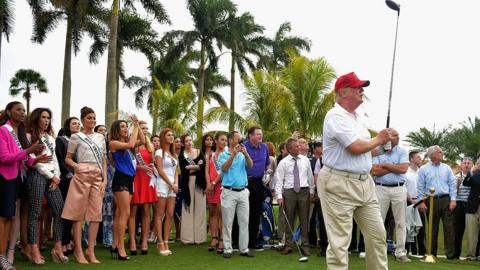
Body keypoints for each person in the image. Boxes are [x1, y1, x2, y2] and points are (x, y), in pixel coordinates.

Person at [319, 72, 391, 270]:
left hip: (364, 184)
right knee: (339, 242)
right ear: (343, 92)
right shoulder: (335, 116)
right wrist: (379, 138)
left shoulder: (357, 118)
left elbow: (367, 150)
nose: (362, 91)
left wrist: (386, 145)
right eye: (357, 87)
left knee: (377, 235)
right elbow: (355, 147)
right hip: (338, 182)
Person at [0, 102, 47, 270]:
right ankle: (2, 257)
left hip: (17, 179)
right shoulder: (3, 130)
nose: (22, 112)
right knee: (4, 217)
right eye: (18, 109)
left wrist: (36, 159)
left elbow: (24, 158)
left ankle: (4, 255)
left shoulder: (18, 132)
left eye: (24, 110)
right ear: (8, 112)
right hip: (6, 178)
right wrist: (28, 151)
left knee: (9, 218)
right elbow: (4, 158)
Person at [62, 106, 107, 264]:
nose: (92, 120)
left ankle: (91, 250)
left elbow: (104, 160)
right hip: (81, 176)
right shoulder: (76, 137)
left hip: (97, 177)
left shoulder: (100, 138)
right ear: (82, 120)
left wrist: (105, 179)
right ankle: (78, 250)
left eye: (94, 118)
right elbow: (67, 158)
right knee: (77, 214)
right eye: (89, 118)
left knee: (95, 215)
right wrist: (77, 166)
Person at [26, 108, 67, 264]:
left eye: (48, 118)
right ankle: (33, 249)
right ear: (36, 118)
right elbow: (34, 162)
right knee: (35, 213)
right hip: (37, 176)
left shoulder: (50, 137)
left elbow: (54, 159)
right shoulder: (29, 136)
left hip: (52, 177)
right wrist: (52, 176)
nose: (46, 120)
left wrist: (57, 176)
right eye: (43, 117)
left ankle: (57, 247)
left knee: (59, 209)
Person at [370, 129, 410, 262]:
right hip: (380, 188)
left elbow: (403, 169)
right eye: (395, 135)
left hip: (399, 189)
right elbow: (374, 171)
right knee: (378, 221)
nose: (399, 137)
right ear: (387, 137)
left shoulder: (402, 151)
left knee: (401, 222)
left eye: (398, 134)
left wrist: (386, 165)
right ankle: (378, 251)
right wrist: (394, 167)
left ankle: (400, 252)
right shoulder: (377, 150)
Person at [109, 116, 144, 260]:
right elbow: (131, 144)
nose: (125, 128)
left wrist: (137, 126)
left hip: (130, 179)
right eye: (122, 126)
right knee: (125, 213)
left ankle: (114, 244)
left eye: (126, 126)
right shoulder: (113, 143)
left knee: (119, 214)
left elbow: (142, 141)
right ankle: (121, 248)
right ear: (117, 130)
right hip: (121, 179)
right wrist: (135, 127)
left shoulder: (126, 143)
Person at [275, 137, 315, 256]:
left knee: (304, 220)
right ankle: (288, 245)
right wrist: (279, 196)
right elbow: (279, 180)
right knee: (289, 220)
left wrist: (312, 191)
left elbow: (310, 176)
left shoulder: (305, 160)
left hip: (304, 191)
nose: (299, 148)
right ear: (290, 149)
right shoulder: (283, 162)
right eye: (297, 146)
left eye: (299, 145)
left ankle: (305, 246)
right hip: (289, 192)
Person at [417, 145, 457, 259]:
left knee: (449, 227)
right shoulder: (423, 169)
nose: (442, 153)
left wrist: (453, 199)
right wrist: (421, 202)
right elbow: (420, 187)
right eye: (440, 152)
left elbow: (452, 184)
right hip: (431, 201)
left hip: (446, 199)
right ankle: (432, 253)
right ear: (432, 155)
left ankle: (450, 255)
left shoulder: (447, 168)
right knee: (432, 228)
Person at [218, 131, 254, 258]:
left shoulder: (242, 154)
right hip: (229, 191)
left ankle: (244, 248)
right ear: (230, 140)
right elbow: (224, 169)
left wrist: (245, 153)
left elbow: (250, 165)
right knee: (228, 222)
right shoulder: (223, 155)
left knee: (244, 221)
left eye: (240, 140)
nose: (240, 142)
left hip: (243, 191)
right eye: (237, 139)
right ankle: (227, 249)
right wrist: (233, 155)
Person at [128, 121, 157, 255]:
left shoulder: (149, 145)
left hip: (146, 180)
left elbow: (152, 162)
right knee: (132, 212)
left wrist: (149, 167)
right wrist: (140, 167)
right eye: (141, 127)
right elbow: (127, 162)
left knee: (146, 211)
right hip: (134, 178)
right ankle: (133, 241)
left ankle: (144, 241)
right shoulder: (132, 144)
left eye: (146, 128)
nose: (144, 130)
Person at [55, 117, 81, 256]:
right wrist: (68, 173)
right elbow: (59, 159)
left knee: (73, 212)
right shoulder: (61, 139)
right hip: (66, 179)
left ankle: (69, 240)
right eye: (74, 123)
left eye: (78, 123)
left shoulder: (79, 140)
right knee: (65, 211)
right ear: (68, 125)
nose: (77, 125)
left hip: (78, 179)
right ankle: (64, 242)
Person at [243, 126, 270, 250]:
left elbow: (267, 164)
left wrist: (268, 174)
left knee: (256, 213)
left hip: (259, 183)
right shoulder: (243, 146)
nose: (261, 136)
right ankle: (240, 241)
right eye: (258, 134)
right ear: (251, 136)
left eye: (261, 134)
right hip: (245, 183)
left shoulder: (264, 147)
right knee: (243, 213)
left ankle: (252, 241)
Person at [153, 128, 178, 256]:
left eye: (172, 134)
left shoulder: (174, 154)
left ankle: (167, 241)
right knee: (160, 213)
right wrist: (171, 184)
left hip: (172, 185)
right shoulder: (159, 152)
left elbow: (176, 172)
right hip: (163, 183)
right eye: (168, 135)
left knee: (170, 214)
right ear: (163, 137)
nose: (171, 137)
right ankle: (160, 242)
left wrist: (176, 184)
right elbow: (160, 170)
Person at [178, 134, 206, 244]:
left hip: (200, 183)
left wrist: (191, 167)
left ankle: (200, 238)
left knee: (200, 209)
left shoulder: (199, 152)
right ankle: (187, 238)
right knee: (188, 208)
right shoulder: (181, 155)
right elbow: (183, 170)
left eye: (190, 140)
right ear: (183, 143)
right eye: (186, 141)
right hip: (187, 182)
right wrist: (197, 167)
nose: (189, 142)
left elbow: (204, 167)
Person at [205, 133, 227, 253]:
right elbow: (207, 170)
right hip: (210, 186)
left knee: (221, 212)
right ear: (216, 141)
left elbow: (223, 171)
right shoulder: (211, 155)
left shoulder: (227, 155)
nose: (224, 142)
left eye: (225, 140)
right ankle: (214, 238)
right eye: (222, 140)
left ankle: (222, 239)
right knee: (212, 212)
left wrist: (213, 183)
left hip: (221, 185)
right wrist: (208, 183)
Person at [404, 150, 426, 256]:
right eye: (418, 157)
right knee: (408, 226)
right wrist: (410, 200)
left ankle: (421, 251)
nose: (420, 159)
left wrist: (421, 200)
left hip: (420, 201)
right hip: (408, 202)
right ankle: (406, 250)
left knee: (420, 226)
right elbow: (403, 188)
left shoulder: (422, 172)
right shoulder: (406, 172)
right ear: (411, 159)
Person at [453, 157, 473, 259]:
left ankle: (472, 254)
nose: (466, 165)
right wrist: (457, 185)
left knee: (472, 231)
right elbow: (452, 193)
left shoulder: (475, 177)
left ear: (472, 165)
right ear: (461, 165)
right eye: (464, 163)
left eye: (469, 163)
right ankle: (456, 253)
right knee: (457, 231)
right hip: (459, 205)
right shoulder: (456, 177)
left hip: (471, 206)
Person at [311, 141, 328, 256]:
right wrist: (318, 191)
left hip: (339, 195)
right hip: (323, 194)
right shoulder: (320, 160)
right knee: (322, 221)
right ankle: (324, 246)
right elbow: (316, 176)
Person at [462, 158, 480, 260]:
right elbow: (466, 183)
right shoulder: (473, 175)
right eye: (477, 163)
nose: (479, 164)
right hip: (472, 207)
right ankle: (471, 255)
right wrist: (471, 171)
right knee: (471, 232)